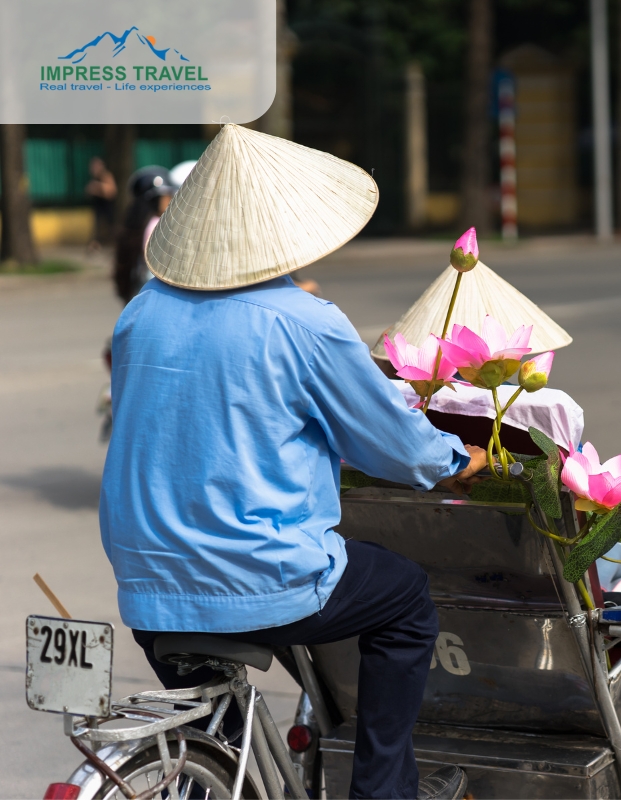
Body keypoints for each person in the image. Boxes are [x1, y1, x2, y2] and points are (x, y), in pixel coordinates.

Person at [100, 124, 486, 799]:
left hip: (148, 581)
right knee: (403, 599)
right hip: (260, 571)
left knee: (217, 744)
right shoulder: (303, 320)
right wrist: (457, 458)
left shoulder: (141, 313)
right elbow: (393, 444)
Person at [112, 166, 176, 304]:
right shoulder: (157, 225)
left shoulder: (135, 228)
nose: (171, 200)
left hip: (139, 294)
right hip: (157, 295)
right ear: (154, 198)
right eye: (167, 196)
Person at [85, 156, 116, 252]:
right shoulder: (94, 178)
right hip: (98, 206)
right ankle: (95, 244)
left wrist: (97, 187)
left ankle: (113, 243)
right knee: (97, 226)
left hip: (107, 206)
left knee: (109, 225)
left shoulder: (106, 176)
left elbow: (111, 191)